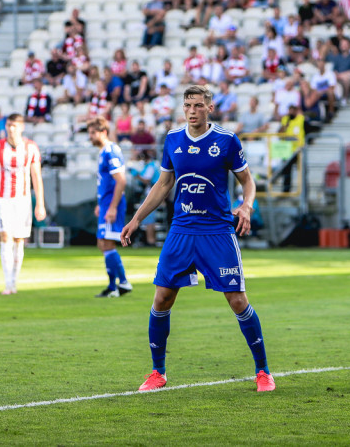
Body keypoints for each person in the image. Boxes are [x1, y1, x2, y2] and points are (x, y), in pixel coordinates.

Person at [120, 84, 273, 393]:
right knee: (162, 297)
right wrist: (137, 218)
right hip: (181, 231)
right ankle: (157, 373)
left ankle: (263, 372)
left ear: (209, 108)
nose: (192, 110)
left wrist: (246, 205)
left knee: (237, 300)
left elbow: (248, 181)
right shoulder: (173, 140)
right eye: (187, 105)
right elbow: (163, 184)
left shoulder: (226, 141)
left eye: (198, 105)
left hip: (217, 232)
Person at [0, 114, 45, 295]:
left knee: (19, 240)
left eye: (15, 125)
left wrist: (40, 202)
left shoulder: (31, 148)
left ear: (22, 127)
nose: (11, 129)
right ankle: (8, 282)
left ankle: (14, 280)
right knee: (5, 237)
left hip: (23, 200)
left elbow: (36, 177)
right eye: (9, 125)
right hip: (3, 199)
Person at [88, 118, 133, 298]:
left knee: (107, 243)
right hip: (106, 203)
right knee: (102, 243)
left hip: (112, 204)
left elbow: (121, 180)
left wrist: (112, 207)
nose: (90, 137)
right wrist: (101, 205)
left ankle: (119, 284)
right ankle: (117, 284)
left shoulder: (110, 151)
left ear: (103, 132)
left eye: (93, 133)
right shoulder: (103, 152)